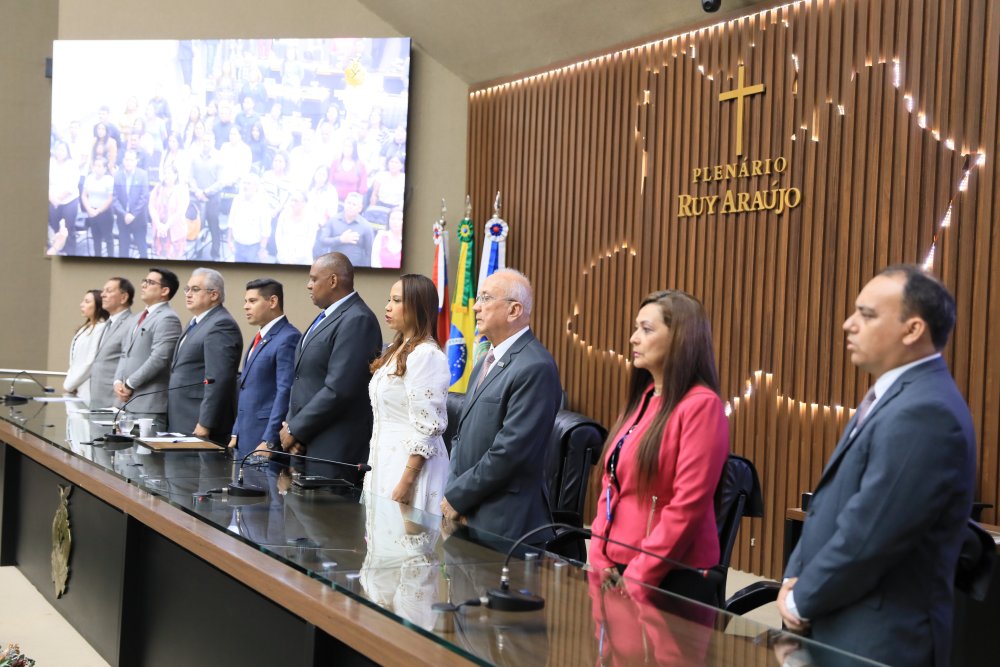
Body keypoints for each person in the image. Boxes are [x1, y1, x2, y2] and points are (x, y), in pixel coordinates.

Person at [778, 265, 976, 667]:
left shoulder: (926, 409)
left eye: (866, 315)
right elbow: (829, 504)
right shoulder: (892, 394)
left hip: (876, 644)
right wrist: (791, 579)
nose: (849, 324)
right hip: (839, 625)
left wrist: (800, 598)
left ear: (912, 329)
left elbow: (870, 534)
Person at [587, 290, 729, 604]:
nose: (633, 339)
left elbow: (687, 506)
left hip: (668, 576)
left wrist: (641, 571)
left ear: (680, 339)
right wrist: (598, 550)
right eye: (636, 328)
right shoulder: (644, 397)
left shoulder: (702, 406)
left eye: (646, 329)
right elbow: (611, 481)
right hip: (617, 566)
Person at [441, 269, 561, 544]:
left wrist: (460, 497)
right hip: (468, 511)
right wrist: (455, 494)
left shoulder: (535, 366)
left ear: (514, 310)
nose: (475, 306)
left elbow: (510, 452)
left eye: (485, 298)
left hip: (505, 522)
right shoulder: (486, 361)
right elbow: (461, 436)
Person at [278, 253, 381, 481]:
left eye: (314, 279)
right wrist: (292, 430)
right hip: (305, 446)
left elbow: (339, 389)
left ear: (333, 281)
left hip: (332, 451)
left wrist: (295, 430)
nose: (308, 285)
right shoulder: (324, 318)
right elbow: (303, 380)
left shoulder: (357, 319)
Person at [364, 275, 450, 513]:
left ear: (417, 306)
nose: (387, 307)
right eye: (389, 299)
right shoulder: (395, 349)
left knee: (408, 546)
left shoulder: (426, 355)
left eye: (397, 300)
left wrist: (407, 481)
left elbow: (428, 427)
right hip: (385, 461)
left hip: (411, 469)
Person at [168, 268, 243, 444]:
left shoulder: (221, 325)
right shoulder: (195, 322)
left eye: (195, 289)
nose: (188, 294)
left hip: (198, 420)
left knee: (192, 469)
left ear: (214, 295)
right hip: (181, 414)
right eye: (187, 289)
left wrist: (206, 422)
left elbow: (218, 378)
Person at [229, 278, 301, 458]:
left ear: (273, 302)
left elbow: (285, 391)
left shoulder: (288, 338)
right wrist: (235, 432)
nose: (246, 306)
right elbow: (247, 389)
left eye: (252, 301)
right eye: (245, 301)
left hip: (264, 439)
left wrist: (270, 439)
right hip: (245, 436)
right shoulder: (260, 336)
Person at [113, 268, 183, 428]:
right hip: (126, 403)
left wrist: (130, 384)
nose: (144, 285)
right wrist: (118, 381)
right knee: (126, 452)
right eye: (144, 281)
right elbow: (125, 353)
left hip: (149, 405)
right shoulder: (137, 317)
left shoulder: (168, 318)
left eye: (150, 282)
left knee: (146, 454)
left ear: (165, 290)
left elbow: (160, 358)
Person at [89, 277, 136, 410]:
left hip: (114, 403)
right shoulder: (106, 324)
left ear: (123, 297)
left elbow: (127, 361)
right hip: (97, 401)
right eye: (103, 291)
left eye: (108, 291)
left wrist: (117, 404)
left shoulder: (131, 324)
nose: (102, 295)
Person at [63, 289, 110, 404]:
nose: (82, 304)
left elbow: (90, 361)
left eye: (87, 301)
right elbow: (75, 361)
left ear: (98, 305)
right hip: (76, 386)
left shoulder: (101, 327)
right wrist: (71, 382)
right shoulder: (85, 328)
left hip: (87, 387)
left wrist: (70, 384)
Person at [314, 191, 374, 267]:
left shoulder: (366, 226)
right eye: (349, 203)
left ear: (360, 208)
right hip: (334, 266)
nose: (350, 206)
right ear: (344, 203)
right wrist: (340, 239)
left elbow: (369, 252)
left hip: (356, 268)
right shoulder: (333, 220)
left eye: (354, 204)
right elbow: (322, 240)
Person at [112, 149, 151, 259]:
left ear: (136, 161)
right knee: (123, 249)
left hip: (138, 219)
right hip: (122, 219)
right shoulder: (117, 176)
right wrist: (124, 214)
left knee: (142, 249)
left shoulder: (143, 175)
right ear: (123, 161)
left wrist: (132, 215)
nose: (128, 162)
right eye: (126, 159)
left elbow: (144, 197)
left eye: (131, 160)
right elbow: (114, 198)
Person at [149, 164, 190, 260]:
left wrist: (166, 226)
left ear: (176, 175)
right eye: (165, 173)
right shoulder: (158, 188)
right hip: (159, 230)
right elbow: (151, 206)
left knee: (172, 262)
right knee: (160, 260)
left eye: (169, 173)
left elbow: (180, 211)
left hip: (175, 232)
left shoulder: (182, 189)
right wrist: (159, 225)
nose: (166, 176)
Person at [48, 140, 80, 256]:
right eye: (58, 149)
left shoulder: (72, 165)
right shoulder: (50, 162)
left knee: (68, 229)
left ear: (67, 151)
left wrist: (58, 199)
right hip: (52, 200)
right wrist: (52, 198)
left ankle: (71, 254)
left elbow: (71, 186)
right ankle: (57, 251)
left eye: (62, 150)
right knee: (55, 227)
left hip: (69, 201)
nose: (60, 152)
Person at [81, 156, 115, 258]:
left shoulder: (109, 179)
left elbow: (110, 198)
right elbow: (84, 195)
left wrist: (98, 211)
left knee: (108, 238)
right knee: (96, 238)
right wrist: (89, 209)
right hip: (91, 211)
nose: (97, 168)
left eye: (100, 166)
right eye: (96, 165)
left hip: (105, 213)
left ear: (105, 168)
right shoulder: (89, 178)